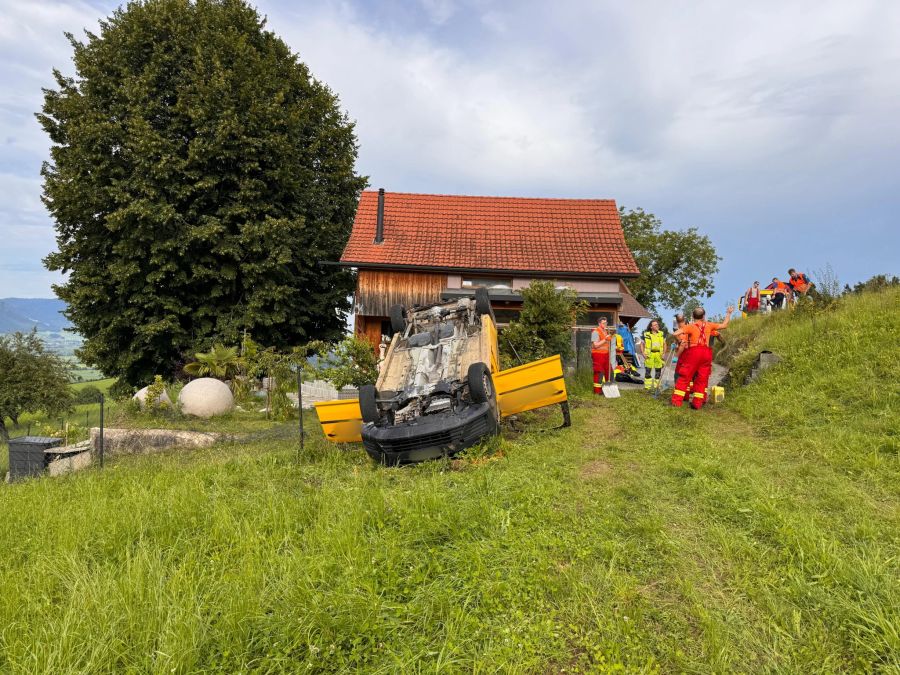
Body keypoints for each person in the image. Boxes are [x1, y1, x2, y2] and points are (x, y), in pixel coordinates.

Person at [671, 305, 734, 410]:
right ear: (704, 316)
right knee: (702, 378)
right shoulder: (709, 325)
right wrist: (728, 313)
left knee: (684, 376)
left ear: (692, 315)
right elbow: (724, 325)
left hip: (694, 352)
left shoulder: (690, 326)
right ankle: (697, 403)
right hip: (706, 353)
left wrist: (680, 341)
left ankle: (676, 402)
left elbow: (675, 333)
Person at [641, 319, 666, 390]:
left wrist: (664, 353)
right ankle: (647, 387)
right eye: (655, 325)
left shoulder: (661, 334)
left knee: (658, 371)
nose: (657, 325)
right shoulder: (646, 334)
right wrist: (643, 353)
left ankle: (656, 387)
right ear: (651, 327)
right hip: (649, 355)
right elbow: (642, 344)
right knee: (648, 371)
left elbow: (665, 344)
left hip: (659, 355)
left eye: (657, 324)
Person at [590, 317, 613, 395]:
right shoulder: (595, 332)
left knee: (609, 372)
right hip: (598, 355)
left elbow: (605, 343)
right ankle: (597, 391)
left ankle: (609, 390)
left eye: (606, 323)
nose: (605, 324)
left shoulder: (605, 331)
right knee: (598, 372)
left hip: (605, 355)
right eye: (603, 323)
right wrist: (606, 340)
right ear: (599, 323)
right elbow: (595, 345)